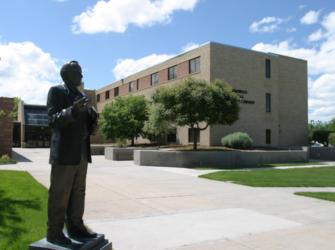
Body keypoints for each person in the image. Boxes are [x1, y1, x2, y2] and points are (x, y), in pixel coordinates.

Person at [46, 61, 98, 246]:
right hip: (65, 153)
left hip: (82, 152)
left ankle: (76, 226)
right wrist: (72, 111)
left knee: (79, 192)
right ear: (68, 75)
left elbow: (86, 125)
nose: (82, 76)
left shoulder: (81, 95)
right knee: (60, 193)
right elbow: (52, 121)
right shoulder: (57, 91)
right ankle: (54, 232)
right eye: (79, 73)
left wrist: (92, 118)